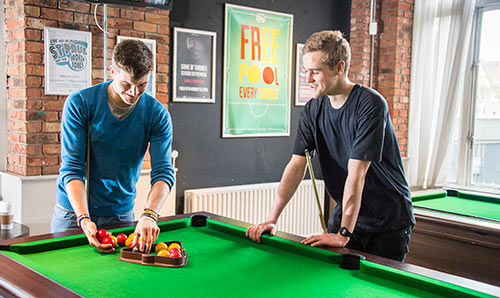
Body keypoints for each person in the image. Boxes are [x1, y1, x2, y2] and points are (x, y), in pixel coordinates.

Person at [246, 30, 415, 262]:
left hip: (386, 222)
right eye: (306, 71)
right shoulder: (312, 110)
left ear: (339, 67)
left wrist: (344, 234)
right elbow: (296, 166)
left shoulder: (370, 104)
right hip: (345, 216)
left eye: (315, 72)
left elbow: (357, 174)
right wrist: (272, 218)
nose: (308, 80)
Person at [52, 39, 175, 254]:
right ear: (112, 71)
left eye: (142, 85)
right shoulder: (80, 103)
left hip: (120, 214)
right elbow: (72, 169)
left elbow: (164, 173)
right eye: (127, 84)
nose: (134, 93)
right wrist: (84, 219)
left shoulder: (157, 114)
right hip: (73, 215)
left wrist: (149, 214)